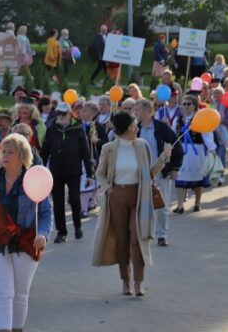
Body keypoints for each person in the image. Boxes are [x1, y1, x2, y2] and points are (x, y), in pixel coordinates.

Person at [0, 133, 53, 332]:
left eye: (11, 152)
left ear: (22, 156)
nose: (5, 155)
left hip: (25, 244)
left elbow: (45, 213)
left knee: (20, 295)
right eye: (3, 151)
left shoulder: (34, 179)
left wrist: (43, 235)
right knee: (3, 294)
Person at [92, 112, 171, 296]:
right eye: (134, 125)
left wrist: (163, 158)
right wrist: (108, 188)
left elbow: (149, 173)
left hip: (139, 196)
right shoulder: (109, 148)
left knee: (138, 239)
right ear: (126, 128)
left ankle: (138, 283)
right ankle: (125, 281)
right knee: (121, 240)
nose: (136, 128)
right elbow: (100, 173)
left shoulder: (142, 146)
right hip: (117, 196)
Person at [41, 102, 93, 243]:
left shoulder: (78, 129)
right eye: (58, 113)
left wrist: (90, 173)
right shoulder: (51, 129)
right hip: (56, 171)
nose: (61, 116)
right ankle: (61, 232)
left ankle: (77, 226)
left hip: (73, 170)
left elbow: (85, 152)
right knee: (58, 202)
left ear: (70, 114)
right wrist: (40, 169)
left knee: (75, 199)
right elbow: (45, 151)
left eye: (63, 113)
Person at [134, 99, 183, 246]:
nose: (135, 113)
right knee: (141, 205)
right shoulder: (134, 128)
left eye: (138, 110)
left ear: (149, 111)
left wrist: (175, 168)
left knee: (162, 206)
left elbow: (177, 147)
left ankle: (162, 235)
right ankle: (144, 233)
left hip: (161, 172)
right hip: (140, 173)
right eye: (135, 110)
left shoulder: (162, 128)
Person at [173, 95, 217, 213]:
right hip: (181, 152)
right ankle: (180, 205)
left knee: (197, 179)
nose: (186, 106)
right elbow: (173, 135)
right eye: (184, 104)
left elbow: (207, 136)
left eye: (189, 104)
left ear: (195, 106)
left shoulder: (200, 118)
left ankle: (197, 203)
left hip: (196, 153)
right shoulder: (177, 120)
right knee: (180, 177)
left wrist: (211, 149)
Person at [211, 88, 228, 174]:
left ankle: (221, 173)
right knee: (214, 154)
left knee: (221, 153)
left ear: (223, 95)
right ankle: (216, 171)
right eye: (215, 94)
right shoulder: (212, 105)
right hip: (213, 133)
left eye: (219, 94)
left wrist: (224, 121)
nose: (217, 96)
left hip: (225, 132)